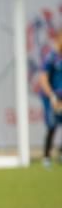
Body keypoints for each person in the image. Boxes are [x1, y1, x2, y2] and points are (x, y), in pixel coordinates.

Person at [37, 31, 62, 167]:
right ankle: (46, 157)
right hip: (52, 98)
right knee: (52, 126)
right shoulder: (51, 58)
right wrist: (52, 96)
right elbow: (43, 78)